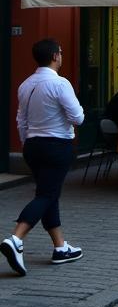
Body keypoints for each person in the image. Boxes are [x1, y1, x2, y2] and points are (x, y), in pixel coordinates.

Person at [3, 39, 84, 275]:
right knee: (47, 194)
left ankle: (60, 247)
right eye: (60, 52)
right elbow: (78, 118)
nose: (61, 55)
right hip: (56, 145)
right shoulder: (60, 84)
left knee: (49, 193)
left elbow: (21, 120)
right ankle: (16, 239)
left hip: (32, 145)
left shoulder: (26, 84)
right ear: (55, 56)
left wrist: (26, 141)